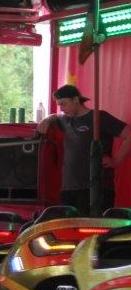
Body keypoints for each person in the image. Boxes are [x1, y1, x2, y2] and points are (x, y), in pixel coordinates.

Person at [38, 84, 131, 215]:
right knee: (67, 226)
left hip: (96, 188)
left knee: (92, 226)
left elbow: (129, 134)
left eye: (63, 104)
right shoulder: (65, 120)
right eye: (59, 105)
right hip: (69, 188)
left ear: (76, 100)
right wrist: (46, 120)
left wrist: (116, 161)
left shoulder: (99, 117)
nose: (62, 108)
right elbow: (55, 116)